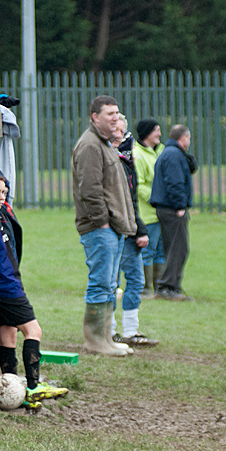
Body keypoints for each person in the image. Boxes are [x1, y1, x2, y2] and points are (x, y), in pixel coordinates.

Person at [0, 168, 68, 410]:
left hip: (6, 283)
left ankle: (13, 391)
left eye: (4, 192)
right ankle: (33, 386)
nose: (1, 197)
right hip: (5, 286)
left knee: (8, 332)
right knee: (33, 330)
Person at [71, 95, 136, 357]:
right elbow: (90, 190)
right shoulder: (89, 145)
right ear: (95, 117)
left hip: (111, 228)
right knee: (100, 284)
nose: (115, 118)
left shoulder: (105, 143)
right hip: (100, 229)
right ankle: (95, 341)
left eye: (117, 113)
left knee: (109, 285)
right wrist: (103, 223)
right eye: (109, 113)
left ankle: (106, 339)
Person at [110, 116, 159, 347]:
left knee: (134, 281)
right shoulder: (114, 160)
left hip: (130, 227)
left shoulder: (125, 159)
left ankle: (130, 330)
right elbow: (124, 200)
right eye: (115, 132)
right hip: (118, 229)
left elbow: (130, 199)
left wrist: (138, 228)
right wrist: (139, 230)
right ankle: (110, 331)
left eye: (122, 132)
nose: (119, 137)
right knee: (112, 282)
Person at [150, 125, 195, 301]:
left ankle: (172, 285)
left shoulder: (171, 153)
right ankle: (167, 287)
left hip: (168, 208)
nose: (189, 142)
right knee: (178, 249)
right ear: (183, 137)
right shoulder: (173, 155)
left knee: (176, 248)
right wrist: (180, 207)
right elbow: (174, 182)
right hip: (172, 209)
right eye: (188, 138)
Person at [132, 119, 166, 299]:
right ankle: (145, 288)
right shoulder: (138, 154)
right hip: (148, 213)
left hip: (161, 213)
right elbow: (138, 184)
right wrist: (156, 198)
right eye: (156, 131)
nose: (159, 134)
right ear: (147, 133)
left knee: (161, 251)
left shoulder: (159, 152)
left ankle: (159, 287)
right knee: (147, 251)